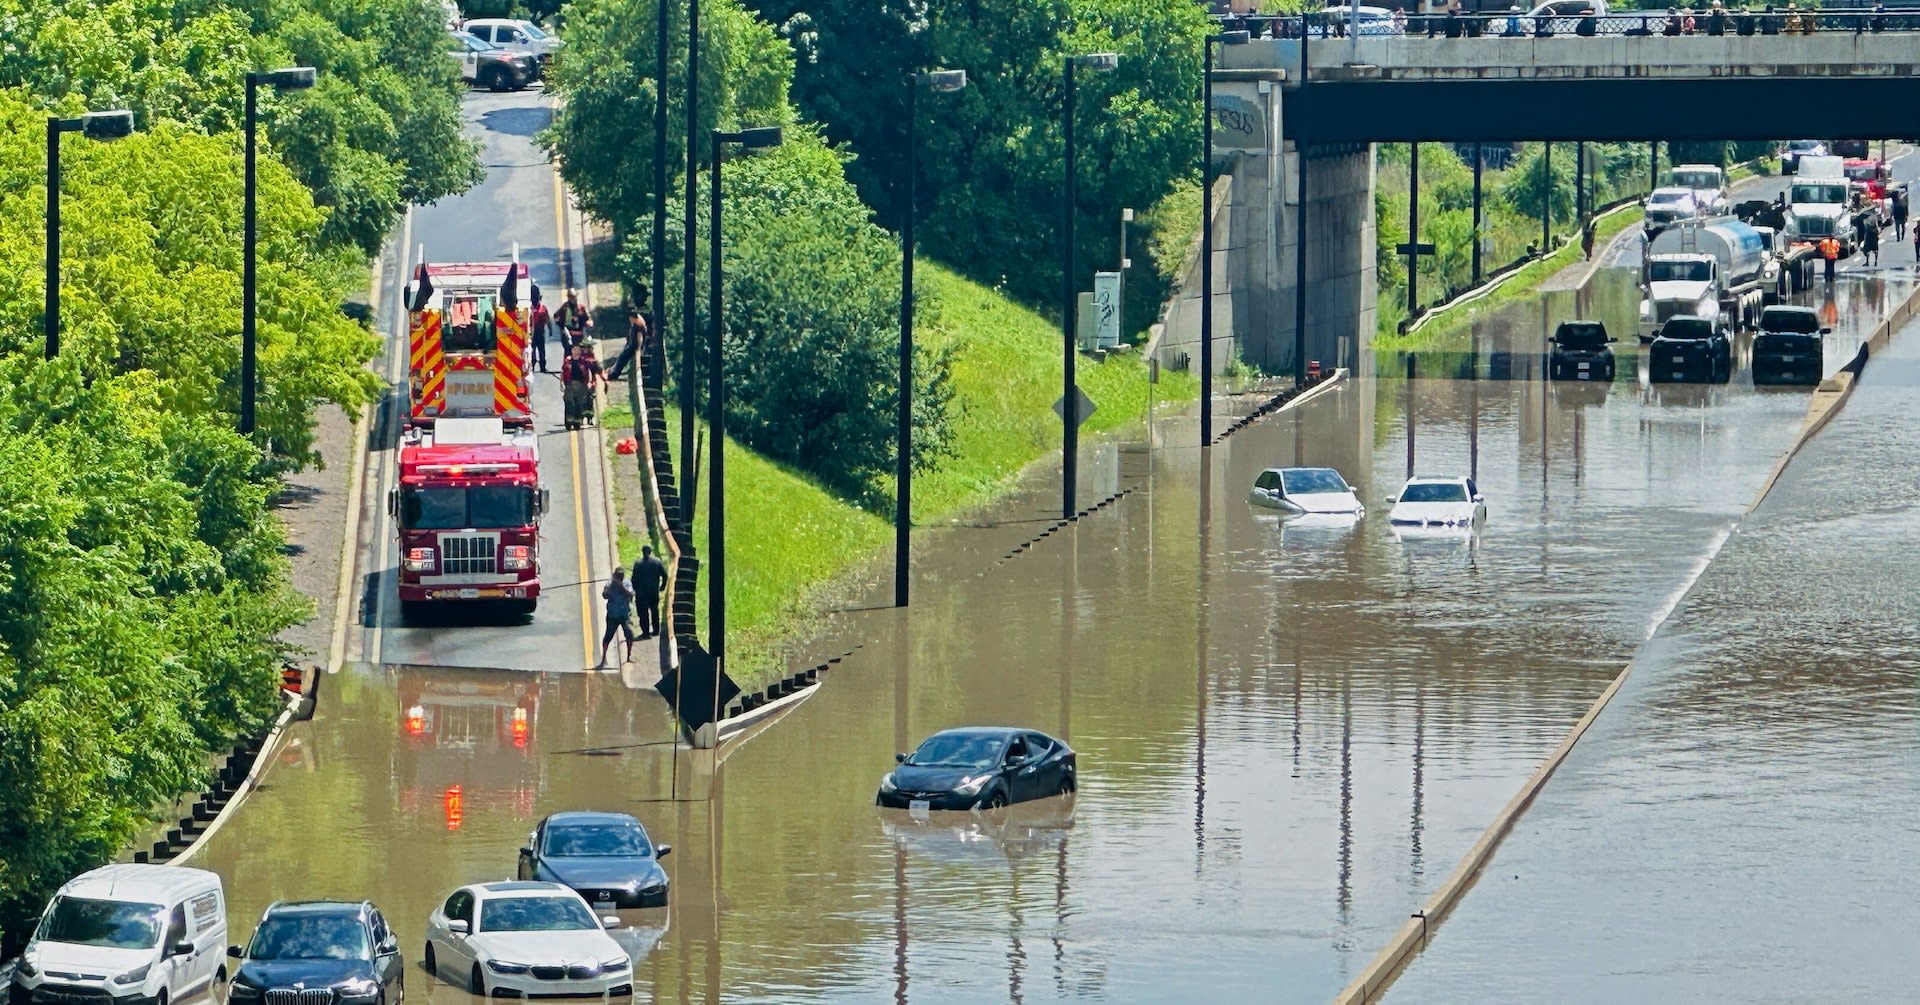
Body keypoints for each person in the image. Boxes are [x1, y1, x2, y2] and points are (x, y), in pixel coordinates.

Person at [597, 568, 636, 669]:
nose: (620, 577)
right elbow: (604, 595)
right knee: (607, 637)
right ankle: (603, 660)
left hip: (624, 615)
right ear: (614, 575)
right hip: (612, 616)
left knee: (629, 635)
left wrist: (621, 586)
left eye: (621, 575)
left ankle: (628, 657)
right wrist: (612, 587)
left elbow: (630, 594)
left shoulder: (627, 583)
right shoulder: (609, 584)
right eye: (618, 575)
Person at [562, 344, 604, 429]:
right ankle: (569, 423)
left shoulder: (585, 361)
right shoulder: (567, 360)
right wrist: (561, 384)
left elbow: (595, 368)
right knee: (569, 404)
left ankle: (577, 423)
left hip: (581, 385)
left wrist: (599, 380)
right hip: (570, 385)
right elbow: (563, 372)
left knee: (579, 404)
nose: (575, 351)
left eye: (577, 350)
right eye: (574, 349)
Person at [632, 545, 668, 640]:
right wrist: (662, 586)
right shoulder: (657, 563)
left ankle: (646, 633)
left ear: (643, 552)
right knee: (654, 611)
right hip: (653, 592)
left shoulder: (638, 564)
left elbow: (634, 579)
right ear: (650, 552)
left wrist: (636, 590)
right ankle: (656, 631)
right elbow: (665, 575)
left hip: (642, 593)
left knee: (643, 614)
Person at [605, 308, 645, 381]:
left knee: (622, 359)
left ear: (633, 318)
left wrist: (638, 349)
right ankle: (613, 372)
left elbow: (640, 338)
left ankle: (614, 375)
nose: (630, 320)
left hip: (633, 346)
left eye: (630, 318)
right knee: (621, 358)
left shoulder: (638, 325)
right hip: (631, 344)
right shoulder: (637, 321)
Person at [528, 297, 553, 372]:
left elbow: (548, 320)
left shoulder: (539, 308)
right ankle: (534, 365)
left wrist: (550, 329)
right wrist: (550, 329)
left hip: (539, 331)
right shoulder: (534, 308)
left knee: (540, 349)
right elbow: (548, 320)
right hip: (533, 332)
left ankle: (542, 366)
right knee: (534, 350)